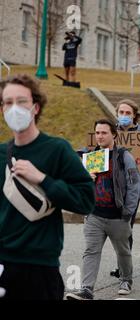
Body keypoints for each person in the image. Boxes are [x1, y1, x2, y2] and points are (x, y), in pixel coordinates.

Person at [0, 74, 95, 300]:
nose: (14, 108)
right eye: (8, 102)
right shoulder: (2, 153)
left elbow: (86, 201)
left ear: (36, 107)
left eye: (21, 101)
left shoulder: (57, 150)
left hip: (40, 268)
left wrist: (43, 179)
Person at [66, 119, 140, 300]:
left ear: (113, 134)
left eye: (104, 133)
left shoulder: (124, 157)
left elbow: (134, 186)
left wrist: (127, 213)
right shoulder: (91, 157)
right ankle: (86, 289)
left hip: (118, 217)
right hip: (94, 215)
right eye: (97, 133)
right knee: (91, 251)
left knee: (123, 252)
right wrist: (86, 179)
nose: (99, 136)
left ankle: (126, 280)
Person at [110, 99, 140, 278]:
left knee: (126, 228)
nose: (124, 116)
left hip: (133, 190)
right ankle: (122, 266)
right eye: (121, 113)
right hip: (112, 188)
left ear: (134, 115)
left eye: (128, 113)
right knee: (114, 229)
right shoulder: (111, 131)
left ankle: (124, 269)